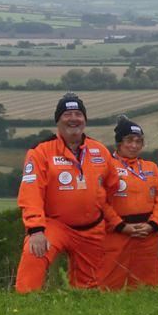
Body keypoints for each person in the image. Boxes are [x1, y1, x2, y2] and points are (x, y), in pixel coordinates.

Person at [16, 94, 121, 293]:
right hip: (55, 225)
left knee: (89, 289)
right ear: (58, 120)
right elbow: (31, 192)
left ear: (85, 120)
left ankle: (82, 308)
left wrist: (98, 208)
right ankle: (25, 302)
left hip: (92, 228)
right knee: (34, 253)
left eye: (78, 114)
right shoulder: (40, 151)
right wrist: (35, 229)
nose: (73, 119)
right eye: (67, 114)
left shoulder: (99, 150)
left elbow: (112, 186)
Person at [100, 117, 158, 290]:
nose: (134, 145)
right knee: (109, 287)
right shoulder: (106, 166)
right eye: (129, 140)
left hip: (146, 235)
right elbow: (100, 200)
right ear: (119, 142)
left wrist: (153, 224)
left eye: (139, 141)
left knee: (146, 288)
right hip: (116, 234)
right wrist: (120, 225)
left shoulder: (150, 167)